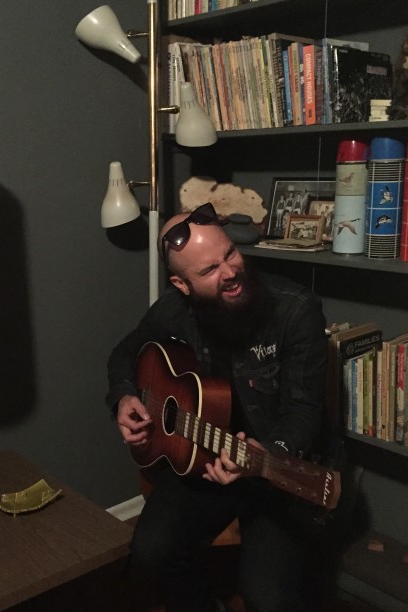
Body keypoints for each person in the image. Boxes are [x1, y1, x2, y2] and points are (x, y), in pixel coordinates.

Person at [106, 203, 341, 611]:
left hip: (276, 470)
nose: (230, 272)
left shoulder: (294, 308)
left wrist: (267, 455)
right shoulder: (173, 309)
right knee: (150, 553)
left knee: (266, 594)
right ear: (182, 284)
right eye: (209, 271)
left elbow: (304, 412)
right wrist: (125, 396)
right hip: (204, 457)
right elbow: (125, 354)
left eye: (229, 254)